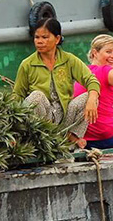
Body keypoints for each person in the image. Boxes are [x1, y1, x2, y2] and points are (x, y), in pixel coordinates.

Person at [13, 18, 100, 149]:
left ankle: (70, 137)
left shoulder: (68, 60)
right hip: (42, 120)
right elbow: (17, 96)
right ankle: (40, 141)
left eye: (45, 37)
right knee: (37, 96)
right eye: (37, 37)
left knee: (91, 97)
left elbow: (91, 80)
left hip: (65, 118)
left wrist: (92, 99)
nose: (39, 41)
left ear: (57, 39)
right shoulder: (27, 64)